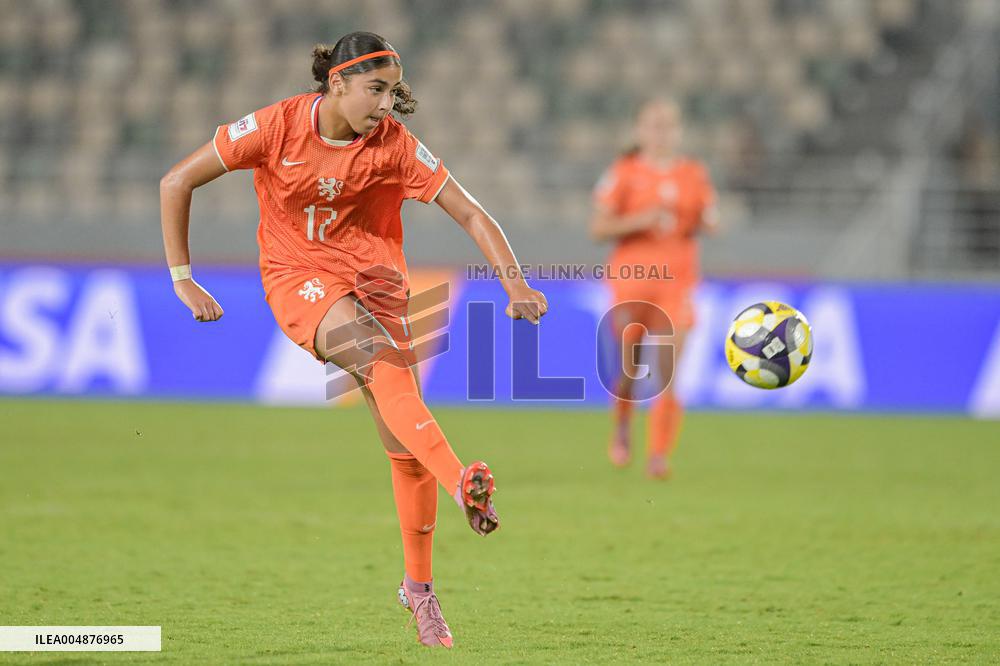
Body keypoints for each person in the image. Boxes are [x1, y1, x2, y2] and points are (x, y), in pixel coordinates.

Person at [159, 32, 547, 648]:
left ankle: (418, 591)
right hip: (299, 279)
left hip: (377, 285)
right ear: (336, 82)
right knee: (379, 361)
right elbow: (176, 181)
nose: (387, 103)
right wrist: (182, 279)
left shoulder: (393, 145)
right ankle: (461, 482)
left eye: (393, 91)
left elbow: (471, 212)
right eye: (376, 89)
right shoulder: (275, 127)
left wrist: (517, 284)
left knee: (403, 443)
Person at [589, 98, 716, 480]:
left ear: (679, 131)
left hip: (676, 283)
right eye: (653, 125)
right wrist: (639, 219)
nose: (661, 133)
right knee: (630, 370)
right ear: (640, 130)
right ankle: (623, 424)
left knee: (668, 370)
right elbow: (598, 228)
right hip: (630, 282)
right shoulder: (623, 173)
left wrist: (709, 220)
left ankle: (658, 454)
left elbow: (708, 218)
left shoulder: (694, 174)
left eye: (668, 126)